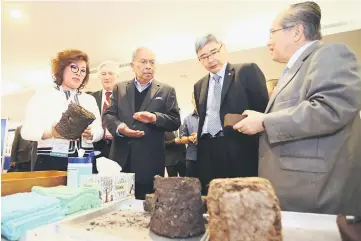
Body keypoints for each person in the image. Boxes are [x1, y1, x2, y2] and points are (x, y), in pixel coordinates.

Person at [233, 1, 361, 216]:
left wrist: (265, 122)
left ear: (296, 32)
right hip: (293, 190)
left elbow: (329, 109)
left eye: (272, 33)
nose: (269, 42)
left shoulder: (330, 53)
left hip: (315, 193)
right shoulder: (292, 70)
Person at [193, 34, 269, 194]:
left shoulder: (247, 71)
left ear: (223, 48)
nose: (210, 59)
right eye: (204, 57)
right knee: (213, 198)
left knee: (241, 199)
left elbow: (262, 111)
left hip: (238, 148)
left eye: (213, 52)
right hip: (207, 149)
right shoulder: (199, 85)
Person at [103, 47, 181, 200]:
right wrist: (120, 128)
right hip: (120, 159)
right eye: (143, 62)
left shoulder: (166, 90)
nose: (148, 66)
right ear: (132, 65)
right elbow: (109, 114)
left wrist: (155, 118)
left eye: (152, 62)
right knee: (117, 207)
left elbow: (175, 121)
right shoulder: (119, 88)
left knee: (147, 208)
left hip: (149, 161)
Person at [21, 49, 104, 171]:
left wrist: (92, 134)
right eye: (74, 67)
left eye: (83, 70)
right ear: (61, 68)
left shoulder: (89, 99)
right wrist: (51, 133)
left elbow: (99, 130)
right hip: (51, 160)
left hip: (85, 161)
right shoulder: (43, 95)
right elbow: (26, 131)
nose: (79, 73)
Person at [90, 61, 119, 172]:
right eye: (103, 74)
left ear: (117, 76)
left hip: (118, 147)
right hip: (96, 146)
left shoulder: (125, 97)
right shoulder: (91, 98)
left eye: (111, 73)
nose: (107, 77)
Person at [180, 93, 199, 178]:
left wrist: (200, 137)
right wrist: (190, 138)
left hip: (208, 156)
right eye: (195, 99)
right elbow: (182, 138)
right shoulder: (187, 119)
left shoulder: (210, 117)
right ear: (192, 101)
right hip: (192, 157)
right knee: (191, 185)